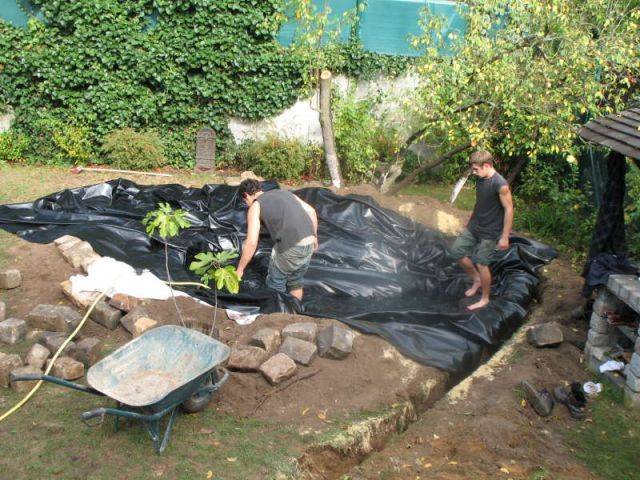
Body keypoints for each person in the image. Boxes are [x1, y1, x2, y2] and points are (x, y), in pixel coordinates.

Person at [448, 150, 514, 310]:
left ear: (486, 165)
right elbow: (481, 203)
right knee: (455, 251)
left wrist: (504, 236)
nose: (474, 172)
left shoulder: (500, 184)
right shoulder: (480, 179)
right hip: (475, 226)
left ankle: (484, 298)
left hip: (491, 231)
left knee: (481, 262)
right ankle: (476, 278)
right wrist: (470, 220)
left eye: (476, 169)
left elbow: (509, 209)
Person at [236, 179, 318, 300]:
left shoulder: (256, 205)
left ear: (246, 195)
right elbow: (311, 211)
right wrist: (314, 237)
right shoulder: (285, 193)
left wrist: (240, 269)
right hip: (309, 242)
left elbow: (252, 243)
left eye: (245, 201)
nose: (247, 204)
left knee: (275, 284)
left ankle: (278, 316)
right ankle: (294, 313)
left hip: (291, 246)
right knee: (295, 282)